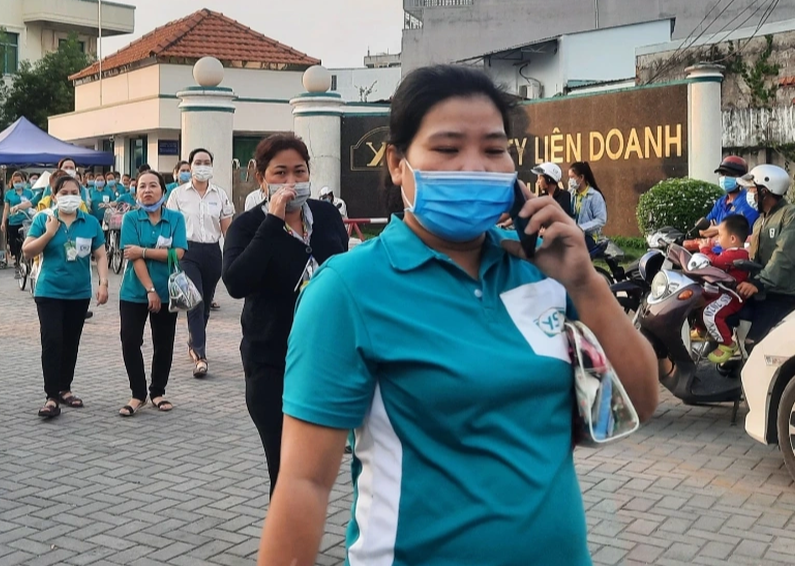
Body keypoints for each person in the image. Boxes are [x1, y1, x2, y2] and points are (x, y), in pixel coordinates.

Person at [256, 65, 658, 564]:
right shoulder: (349, 290)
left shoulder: (542, 274)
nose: (475, 167)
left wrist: (584, 283)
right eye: (447, 149)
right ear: (398, 163)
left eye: (494, 149)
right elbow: (304, 484)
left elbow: (638, 403)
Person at [222, 134, 349, 495]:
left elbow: (343, 269)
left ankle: (298, 536)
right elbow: (235, 281)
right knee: (285, 462)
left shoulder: (325, 216)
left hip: (327, 358)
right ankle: (288, 546)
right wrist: (273, 224)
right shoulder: (249, 226)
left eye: (299, 171)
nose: (292, 182)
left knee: (315, 461)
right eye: (280, 173)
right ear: (262, 179)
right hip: (271, 360)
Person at [22, 175, 109, 418]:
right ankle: (51, 396)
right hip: (49, 291)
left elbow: (100, 255)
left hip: (79, 293)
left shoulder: (90, 222)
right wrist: (49, 233)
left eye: (74, 192)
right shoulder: (44, 219)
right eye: (64, 192)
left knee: (71, 342)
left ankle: (65, 388)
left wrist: (103, 282)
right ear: (54, 195)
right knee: (52, 341)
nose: (69, 196)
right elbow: (27, 251)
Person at [117, 170, 187, 417]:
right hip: (135, 291)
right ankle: (138, 394)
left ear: (163, 191)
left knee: (163, 343)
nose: (147, 191)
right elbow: (131, 256)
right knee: (130, 341)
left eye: (153, 186)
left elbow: (178, 253)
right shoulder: (131, 220)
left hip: (168, 291)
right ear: (136, 193)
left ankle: (158, 391)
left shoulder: (176, 219)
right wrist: (150, 290)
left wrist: (143, 251)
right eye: (142, 187)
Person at [167, 148, 234, 378]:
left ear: (212, 166)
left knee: (204, 305)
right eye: (198, 162)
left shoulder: (220, 195)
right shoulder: (178, 195)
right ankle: (200, 356)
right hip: (188, 251)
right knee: (193, 302)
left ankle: (194, 340)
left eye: (206, 162)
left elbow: (227, 229)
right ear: (191, 165)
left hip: (212, 253)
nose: (202, 165)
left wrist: (235, 254)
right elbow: (171, 225)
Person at [736, 164, 795, 344]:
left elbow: (783, 256)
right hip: (762, 291)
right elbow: (753, 258)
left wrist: (760, 282)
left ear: (765, 191)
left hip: (782, 294)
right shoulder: (760, 221)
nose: (750, 194)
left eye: (753, 189)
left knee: (754, 342)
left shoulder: (793, 216)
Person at [697, 214, 751, 364]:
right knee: (697, 298)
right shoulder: (730, 252)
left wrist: (705, 249)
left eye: (720, 235)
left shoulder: (738, 254)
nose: (718, 238)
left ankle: (728, 344)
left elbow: (715, 262)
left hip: (731, 296)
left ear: (733, 239)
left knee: (711, 313)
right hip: (721, 291)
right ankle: (702, 329)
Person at [698, 156, 759, 241]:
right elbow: (702, 231)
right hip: (713, 251)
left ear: (741, 178)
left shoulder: (749, 202)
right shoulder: (720, 202)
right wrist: (723, 229)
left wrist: (715, 228)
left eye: (730, 175)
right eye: (723, 174)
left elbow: (735, 235)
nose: (724, 178)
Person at [567, 161, 607, 253]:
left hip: (589, 238)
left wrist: (581, 228)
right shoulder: (570, 194)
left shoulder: (595, 196)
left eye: (572, 177)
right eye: (569, 177)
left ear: (581, 177)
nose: (570, 181)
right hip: (573, 235)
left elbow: (601, 220)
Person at [3, 172, 35, 275]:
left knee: (28, 240)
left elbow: (33, 204)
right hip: (13, 221)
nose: (17, 183)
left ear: (23, 181)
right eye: (15, 181)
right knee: (14, 243)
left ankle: (29, 260)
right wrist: (3, 221)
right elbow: (6, 208)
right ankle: (17, 260)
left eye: (19, 181)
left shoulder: (29, 193)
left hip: (26, 220)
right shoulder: (9, 194)